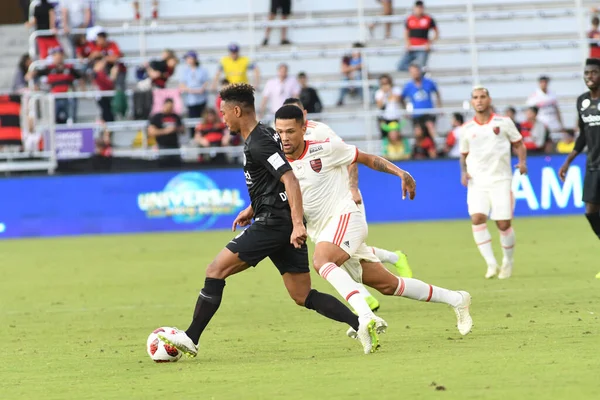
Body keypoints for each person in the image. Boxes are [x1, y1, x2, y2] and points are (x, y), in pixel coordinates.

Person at [157, 83, 382, 357]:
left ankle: (191, 338)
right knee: (302, 295)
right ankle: (360, 323)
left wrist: (298, 223)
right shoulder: (262, 135)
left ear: (237, 110)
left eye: (223, 112)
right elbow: (276, 180)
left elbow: (289, 178)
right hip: (278, 222)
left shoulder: (260, 141)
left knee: (215, 270)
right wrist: (253, 207)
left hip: (274, 223)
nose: (222, 118)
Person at [275, 104, 473, 341]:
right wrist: (250, 209)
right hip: (322, 231)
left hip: (346, 216)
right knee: (389, 285)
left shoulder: (325, 148)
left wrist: (401, 173)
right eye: (280, 132)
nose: (284, 137)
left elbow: (367, 158)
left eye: (290, 131)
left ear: (304, 128)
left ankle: (365, 315)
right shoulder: (277, 159)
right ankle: (457, 299)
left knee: (321, 260)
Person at [283, 96, 413, 312]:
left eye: (296, 117)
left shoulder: (321, 132)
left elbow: (351, 156)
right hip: (319, 211)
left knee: (332, 255)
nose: (289, 128)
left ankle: (362, 306)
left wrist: (353, 187)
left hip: (342, 198)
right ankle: (393, 259)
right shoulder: (285, 143)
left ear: (304, 116)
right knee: (347, 253)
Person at [460, 86, 528, 279]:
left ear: (489, 99)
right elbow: (463, 154)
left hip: (501, 179)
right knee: (477, 218)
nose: (479, 100)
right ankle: (491, 263)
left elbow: (519, 144)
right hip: (477, 181)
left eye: (482, 97)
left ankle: (508, 261)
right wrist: (463, 172)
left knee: (503, 223)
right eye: (475, 97)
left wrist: (522, 162)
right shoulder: (466, 129)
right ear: (472, 102)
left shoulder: (504, 122)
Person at [559, 58, 600, 258]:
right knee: (591, 212)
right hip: (593, 164)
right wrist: (568, 161)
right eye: (586, 73)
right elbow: (583, 135)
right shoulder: (582, 101)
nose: (589, 77)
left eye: (593, 72)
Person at [27, 47, 83, 124]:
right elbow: (36, 73)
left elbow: (80, 77)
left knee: (70, 112)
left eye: (60, 55)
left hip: (67, 97)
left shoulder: (69, 69)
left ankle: (71, 124)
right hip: (54, 98)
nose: (58, 58)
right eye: (56, 55)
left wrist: (83, 89)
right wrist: (31, 74)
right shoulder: (49, 69)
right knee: (54, 116)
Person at [400, 63, 442, 138]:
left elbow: (437, 92)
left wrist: (439, 106)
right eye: (412, 72)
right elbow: (401, 98)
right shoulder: (408, 86)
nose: (415, 73)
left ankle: (435, 146)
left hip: (428, 111)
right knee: (418, 132)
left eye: (416, 71)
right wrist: (405, 110)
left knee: (430, 127)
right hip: (416, 113)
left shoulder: (428, 82)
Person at [398, 1, 438, 71]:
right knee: (401, 66)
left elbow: (436, 32)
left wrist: (429, 43)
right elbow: (406, 32)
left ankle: (418, 74)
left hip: (422, 48)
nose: (419, 10)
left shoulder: (428, 19)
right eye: (417, 8)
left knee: (421, 68)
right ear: (414, 8)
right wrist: (408, 43)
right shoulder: (409, 19)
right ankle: (414, 72)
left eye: (421, 8)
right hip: (412, 47)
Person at [179, 50, 210, 135]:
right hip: (191, 100)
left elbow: (206, 82)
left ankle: (204, 135)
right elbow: (182, 84)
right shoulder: (185, 71)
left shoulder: (202, 70)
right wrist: (192, 90)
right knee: (192, 120)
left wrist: (200, 89)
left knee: (203, 119)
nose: (188, 60)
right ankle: (193, 136)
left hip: (201, 99)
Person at [147, 98, 184, 168]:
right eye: (168, 107)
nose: (170, 109)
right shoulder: (157, 117)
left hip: (175, 146)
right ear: (164, 105)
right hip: (162, 146)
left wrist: (175, 129)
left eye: (171, 107)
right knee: (163, 166)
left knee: (177, 166)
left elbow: (182, 129)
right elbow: (151, 132)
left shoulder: (176, 116)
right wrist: (166, 131)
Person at [375, 74, 402, 139]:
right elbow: (379, 105)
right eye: (383, 83)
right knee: (384, 136)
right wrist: (384, 94)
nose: (385, 85)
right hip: (384, 117)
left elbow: (398, 99)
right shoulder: (379, 92)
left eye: (386, 83)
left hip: (394, 117)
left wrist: (390, 91)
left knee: (395, 137)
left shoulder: (396, 89)